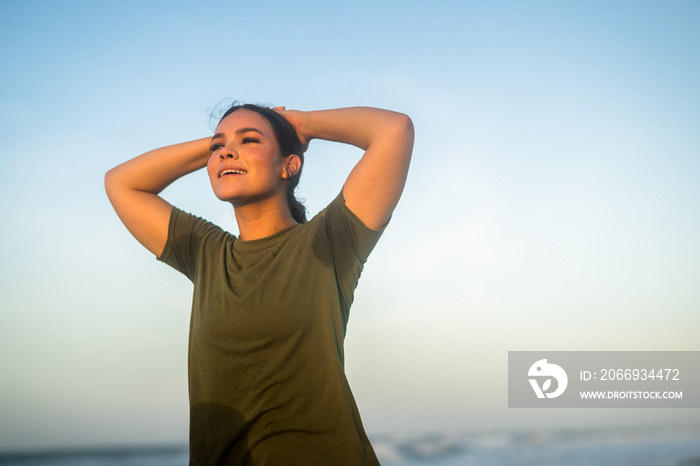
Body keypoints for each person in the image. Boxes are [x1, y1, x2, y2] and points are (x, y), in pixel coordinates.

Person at [105, 103, 414, 465]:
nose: (226, 152)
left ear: (290, 165)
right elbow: (121, 183)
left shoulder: (330, 241)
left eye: (250, 140)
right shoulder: (206, 253)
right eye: (217, 148)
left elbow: (394, 131)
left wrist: (300, 124)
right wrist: (225, 146)